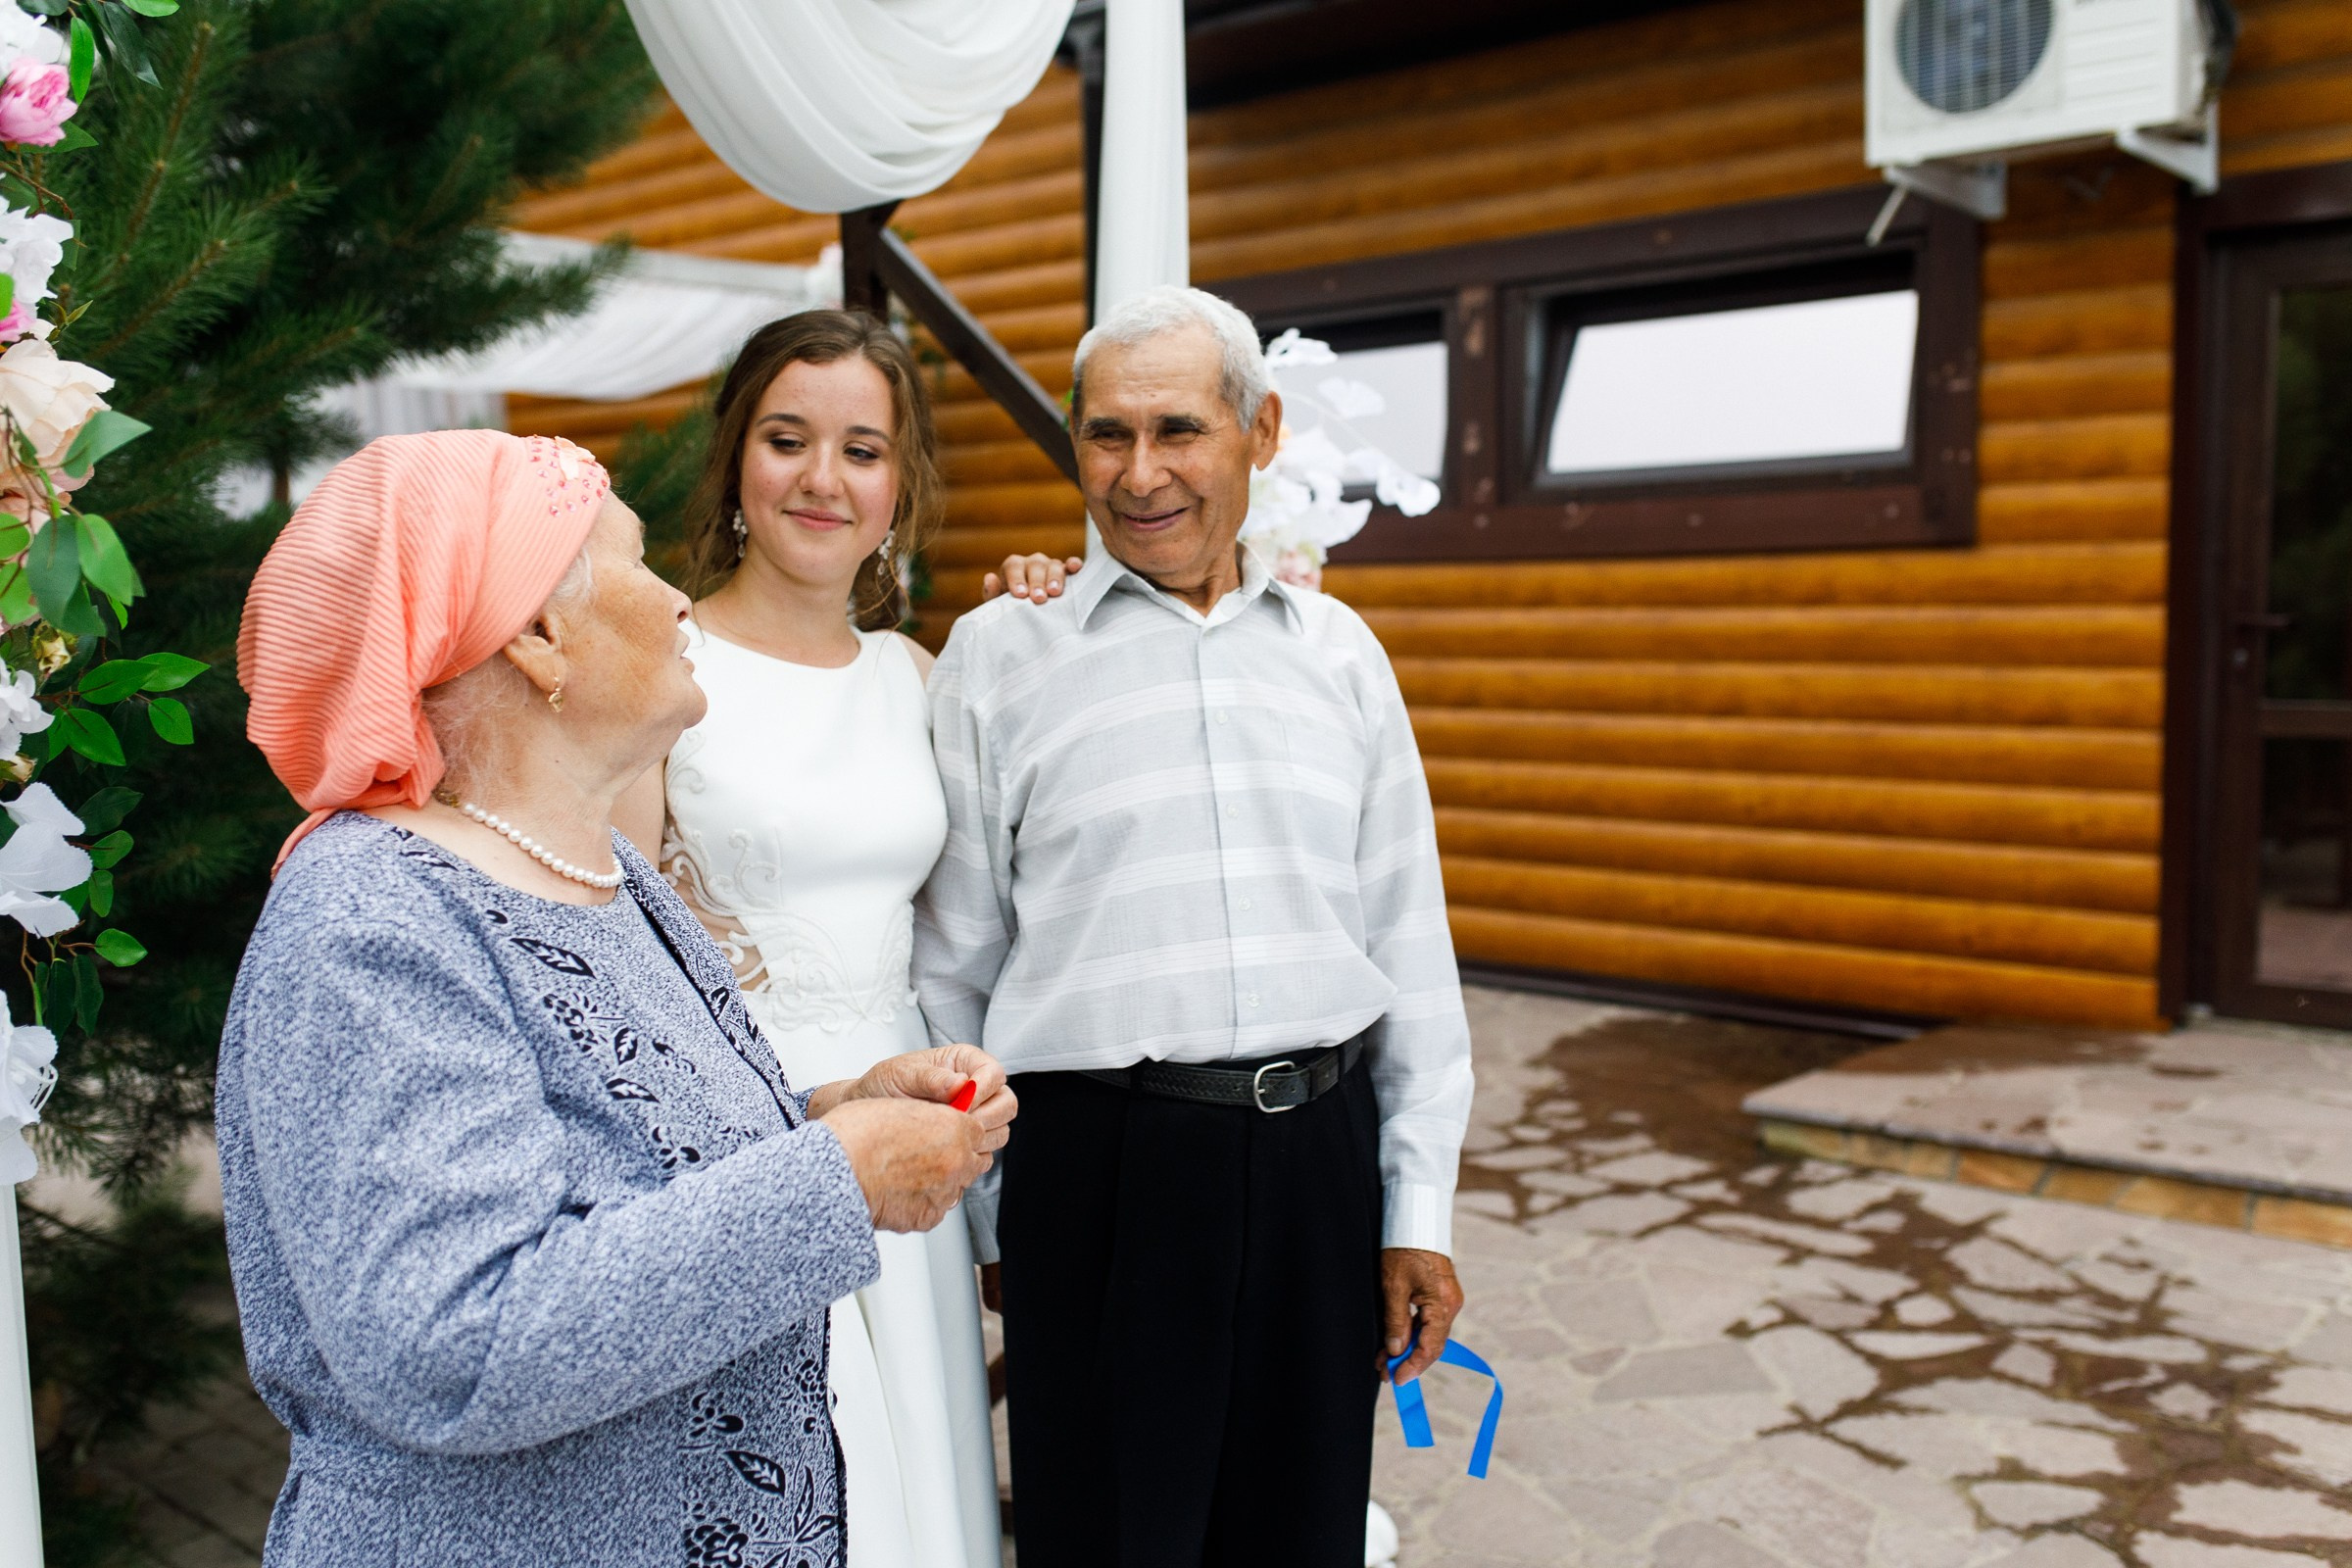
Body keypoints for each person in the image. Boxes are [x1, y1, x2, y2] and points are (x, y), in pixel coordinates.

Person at [219, 428, 1015, 1565]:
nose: (678, 599)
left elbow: (621, 1155)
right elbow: (459, 1337)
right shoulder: (368, 918)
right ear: (539, 635)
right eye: (640, 562)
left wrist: (831, 1111)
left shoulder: (605, 869)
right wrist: (837, 1174)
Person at [912, 285, 1477, 1568]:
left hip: (1318, 1170)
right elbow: (952, 970)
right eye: (1107, 435)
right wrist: (1002, 1221)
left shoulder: (1343, 657)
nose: (1140, 472)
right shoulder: (1002, 654)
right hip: (1100, 1175)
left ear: (1259, 432)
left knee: (1301, 1537)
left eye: (1179, 430)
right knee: (1110, 1540)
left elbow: (1408, 946)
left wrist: (1416, 1206)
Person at [614, 309, 1070, 1568]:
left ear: (899, 486)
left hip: (909, 1144)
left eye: (863, 449)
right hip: (748, 1142)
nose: (824, 478)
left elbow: (982, 914)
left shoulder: (921, 677)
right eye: (788, 438)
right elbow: (622, 942)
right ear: (735, 463)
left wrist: (1041, 612)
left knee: (917, 1487)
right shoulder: (664, 670)